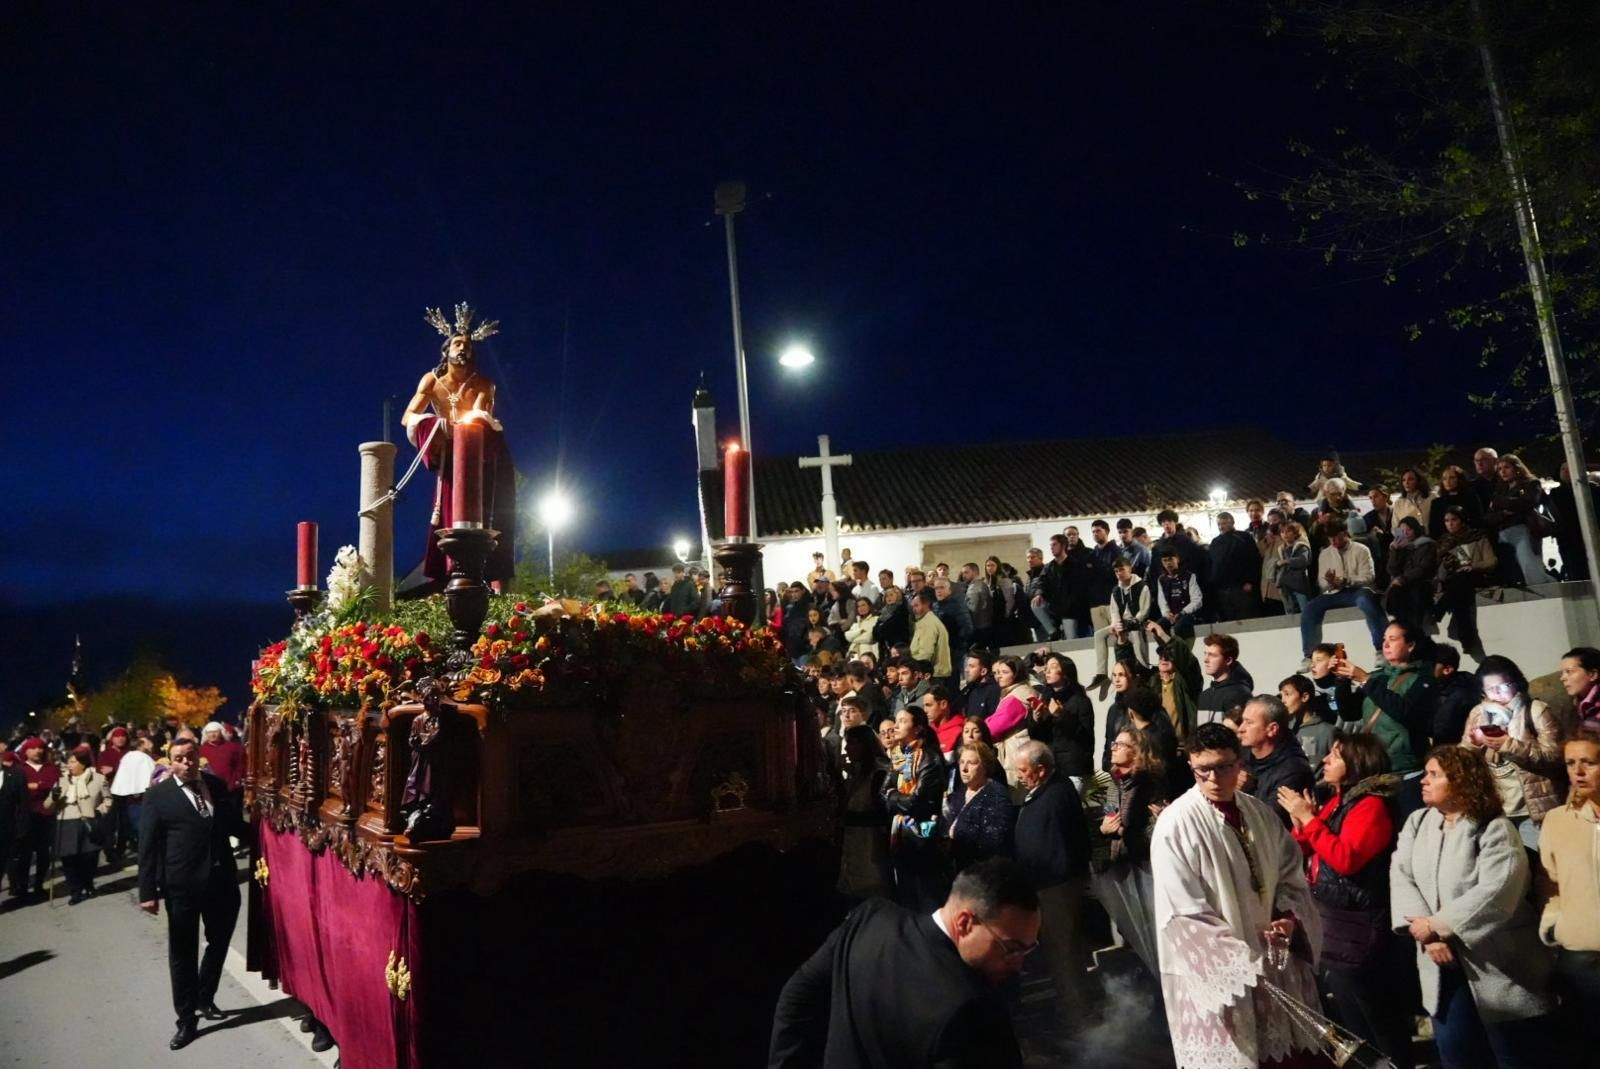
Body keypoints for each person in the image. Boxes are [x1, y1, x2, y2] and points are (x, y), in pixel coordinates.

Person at [1150, 722, 1324, 1069]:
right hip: (1223, 976)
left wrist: (1289, 920)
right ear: (1192, 767)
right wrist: (1237, 964)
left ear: (1240, 762)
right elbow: (1182, 911)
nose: (1214, 779)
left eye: (1224, 767)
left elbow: (1291, 876)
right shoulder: (1175, 825)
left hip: (1276, 961)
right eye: (1204, 770)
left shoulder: (1260, 814)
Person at [768, 858, 1038, 1069]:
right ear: (965, 922)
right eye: (1010, 949)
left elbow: (796, 997)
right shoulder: (975, 1012)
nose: (1018, 964)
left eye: (1028, 949)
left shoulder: (870, 919)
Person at [1391, 746, 1555, 1068]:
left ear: (1462, 780)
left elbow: (1497, 890)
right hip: (1439, 962)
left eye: (1434, 774)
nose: (1423, 781)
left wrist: (1438, 924)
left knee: (1512, 1056)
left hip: (1497, 966)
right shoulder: (1418, 822)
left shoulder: (1494, 828)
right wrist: (1429, 935)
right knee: (1458, 1055)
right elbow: (1401, 874)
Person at [1278, 734, 1410, 1067]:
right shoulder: (1340, 800)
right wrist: (1302, 823)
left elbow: (1346, 859)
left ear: (1356, 763)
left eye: (1334, 756)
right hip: (1335, 918)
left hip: (1360, 922)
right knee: (1350, 1011)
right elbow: (1305, 849)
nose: (1325, 760)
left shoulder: (1371, 806)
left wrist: (1309, 820)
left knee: (1375, 1010)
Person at [139, 736, 245, 1051]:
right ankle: (186, 1020)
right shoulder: (158, 796)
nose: (185, 763)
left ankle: (205, 996)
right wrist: (148, 892)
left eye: (190, 757)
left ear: (198, 756)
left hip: (221, 881)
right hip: (181, 886)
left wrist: (273, 838)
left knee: (219, 940)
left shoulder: (215, 785)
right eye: (178, 758)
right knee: (183, 953)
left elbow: (232, 826)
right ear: (169, 761)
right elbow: (147, 846)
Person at [402, 303, 516, 590]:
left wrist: (459, 430)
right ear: (446, 350)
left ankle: (490, 581)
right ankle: (448, 581)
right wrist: (432, 424)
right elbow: (408, 418)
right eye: (456, 343)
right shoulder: (431, 381)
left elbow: (478, 418)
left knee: (485, 515)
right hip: (449, 460)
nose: (462, 348)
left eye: (467, 345)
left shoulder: (484, 385)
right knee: (447, 518)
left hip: (478, 459)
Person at [1009, 741, 1093, 1019]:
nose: (1019, 776)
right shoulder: (1042, 791)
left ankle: (1078, 1015)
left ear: (1041, 770)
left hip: (1057, 888)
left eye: (1023, 770)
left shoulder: (1057, 795)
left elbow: (1061, 846)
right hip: (1044, 886)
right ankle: (1070, 1008)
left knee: (1064, 954)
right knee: (1057, 954)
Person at [1462, 655, 1567, 850]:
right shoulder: (1479, 714)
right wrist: (1474, 745)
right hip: (1499, 810)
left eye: (1504, 686)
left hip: (1535, 811)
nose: (1498, 694)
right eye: (1491, 689)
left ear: (1516, 683)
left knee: (1541, 865)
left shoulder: (1536, 711)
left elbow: (1554, 756)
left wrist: (1507, 744)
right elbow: (1463, 761)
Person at [1093, 729, 1168, 976]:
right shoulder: (1115, 785)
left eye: (1120, 744)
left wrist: (1128, 832)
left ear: (1136, 752)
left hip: (1146, 871)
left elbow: (1158, 830)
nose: (1113, 747)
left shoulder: (1151, 785)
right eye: (1113, 743)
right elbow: (1109, 818)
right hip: (1121, 868)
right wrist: (1104, 829)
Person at [1538, 733, 1600, 1030]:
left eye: (1589, 762)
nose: (1578, 771)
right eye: (1570, 763)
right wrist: (1553, 925)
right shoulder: (1556, 820)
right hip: (1579, 956)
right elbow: (1551, 885)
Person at [1335, 622, 1435, 777]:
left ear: (1410, 645)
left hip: (1406, 768)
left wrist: (1365, 680)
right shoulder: (1377, 677)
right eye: (1384, 639)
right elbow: (1350, 713)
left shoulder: (1423, 679)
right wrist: (1342, 680)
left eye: (1393, 639)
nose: (1386, 644)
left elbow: (1404, 711)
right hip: (1373, 764)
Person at [884, 706, 950, 912]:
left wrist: (892, 796)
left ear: (918, 728)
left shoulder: (929, 759)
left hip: (923, 834)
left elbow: (916, 801)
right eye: (896, 720)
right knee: (905, 893)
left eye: (903, 721)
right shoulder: (899, 758)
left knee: (925, 893)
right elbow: (883, 791)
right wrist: (893, 795)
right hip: (901, 835)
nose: (896, 725)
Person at [1300, 520, 1390, 661]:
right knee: (1310, 608)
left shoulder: (1361, 549)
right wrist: (1330, 582)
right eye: (1330, 538)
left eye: (1336, 537)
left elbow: (1368, 577)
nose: (1333, 541)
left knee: (1365, 601)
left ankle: (1381, 647)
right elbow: (1321, 582)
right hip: (1335, 592)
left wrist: (1346, 581)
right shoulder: (1325, 553)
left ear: (1344, 533)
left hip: (1358, 590)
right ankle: (1310, 654)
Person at [1237, 695, 1315, 827]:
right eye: (1242, 721)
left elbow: (1269, 822)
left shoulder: (1292, 771)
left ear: (1272, 729)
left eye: (1249, 723)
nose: (1241, 729)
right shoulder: (1243, 755)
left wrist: (1240, 794)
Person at [836, 724, 893, 901]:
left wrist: (848, 819)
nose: (846, 748)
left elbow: (882, 815)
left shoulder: (879, 773)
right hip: (854, 849)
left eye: (852, 743)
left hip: (872, 849)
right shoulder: (855, 773)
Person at [49, 746, 111, 904]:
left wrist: (100, 811)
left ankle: (88, 883)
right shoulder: (61, 781)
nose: (69, 765)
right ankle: (75, 891)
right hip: (67, 822)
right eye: (68, 762)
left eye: (73, 762)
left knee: (89, 857)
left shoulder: (98, 778)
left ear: (83, 764)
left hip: (89, 820)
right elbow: (47, 805)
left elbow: (108, 800)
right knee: (69, 859)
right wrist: (54, 797)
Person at [1434, 505, 1497, 659]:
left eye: (1454, 520)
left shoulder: (1477, 537)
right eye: (1446, 520)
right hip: (1456, 582)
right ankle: (1469, 642)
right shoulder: (1444, 543)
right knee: (1462, 600)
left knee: (1463, 579)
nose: (1450, 524)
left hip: (1477, 575)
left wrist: (1472, 567)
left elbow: (1492, 561)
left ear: (1462, 521)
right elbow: (1441, 572)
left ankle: (1439, 609)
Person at [1026, 652, 1094, 793]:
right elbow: (1037, 738)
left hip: (1073, 770)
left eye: (1053, 666)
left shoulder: (1080, 700)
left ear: (1065, 672)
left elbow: (1085, 736)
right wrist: (1036, 719)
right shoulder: (1045, 697)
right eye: (1046, 667)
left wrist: (1060, 715)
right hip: (1050, 768)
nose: (1047, 670)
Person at [943, 741, 1015, 871]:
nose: (964, 768)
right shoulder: (960, 792)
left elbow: (995, 842)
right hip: (958, 870)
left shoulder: (996, 795)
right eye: (962, 762)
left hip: (981, 874)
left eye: (971, 763)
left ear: (985, 767)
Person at [1484, 453, 1549, 586]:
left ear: (1517, 468)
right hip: (1503, 535)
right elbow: (1489, 517)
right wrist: (1503, 513)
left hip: (1524, 531)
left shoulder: (1531, 483)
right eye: (1500, 469)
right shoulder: (1500, 489)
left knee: (1531, 569)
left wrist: (1499, 503)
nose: (1503, 472)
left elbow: (1527, 502)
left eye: (1506, 467)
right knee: (1512, 573)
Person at [10, 737, 58, 901]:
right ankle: (21, 886)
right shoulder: (19, 769)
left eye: (41, 748)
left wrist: (36, 786)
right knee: (24, 853)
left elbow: (54, 785)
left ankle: (39, 885)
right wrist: (36, 787)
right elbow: (16, 791)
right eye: (34, 748)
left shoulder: (51, 768)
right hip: (26, 815)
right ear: (26, 751)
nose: (38, 751)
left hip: (46, 815)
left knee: (43, 853)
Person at [1091, 556, 1151, 686]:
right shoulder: (1116, 590)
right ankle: (1101, 673)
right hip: (1122, 624)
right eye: (1116, 571)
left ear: (1129, 568)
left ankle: (1143, 666)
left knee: (1136, 634)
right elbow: (1114, 611)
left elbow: (1144, 610)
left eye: (1122, 570)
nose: (1119, 574)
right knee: (1099, 635)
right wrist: (1116, 625)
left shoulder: (1142, 586)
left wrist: (1133, 622)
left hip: (1137, 622)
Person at [984, 655, 1036, 791]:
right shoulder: (1014, 693)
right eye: (997, 673)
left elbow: (993, 728)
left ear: (1016, 674)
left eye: (1004, 672)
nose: (999, 676)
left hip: (1014, 753)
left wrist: (979, 725)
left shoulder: (1017, 697)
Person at [1385, 516, 1438, 636]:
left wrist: (1403, 578)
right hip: (1402, 583)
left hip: (1420, 581)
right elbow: (1392, 570)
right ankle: (1403, 628)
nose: (1405, 533)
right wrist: (1395, 551)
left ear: (1415, 529)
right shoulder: (1400, 547)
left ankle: (1414, 630)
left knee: (1416, 594)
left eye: (1409, 529)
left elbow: (1424, 567)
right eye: (1402, 530)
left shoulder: (1426, 544)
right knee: (1395, 593)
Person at [1279, 674, 1338, 778]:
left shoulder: (1328, 732)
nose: (1283, 701)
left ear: (1304, 697)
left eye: (1287, 694)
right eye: (1281, 696)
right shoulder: (1284, 731)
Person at [1193, 632, 1254, 729]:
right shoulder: (1205, 695)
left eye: (1212, 655)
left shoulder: (1240, 695)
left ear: (1228, 660)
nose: (1205, 660)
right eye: (1205, 654)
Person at [1209, 511, 1261, 621]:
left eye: (1223, 523)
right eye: (1219, 524)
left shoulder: (1244, 537)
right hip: (1222, 589)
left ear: (1232, 523)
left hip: (1241, 587)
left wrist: (1250, 581)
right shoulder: (1215, 542)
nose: (1221, 527)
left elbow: (1253, 560)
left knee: (1245, 617)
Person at [1432, 645, 1480, 745]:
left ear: (1447, 670)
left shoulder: (1459, 694)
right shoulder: (1441, 686)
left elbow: (1441, 730)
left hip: (1452, 751)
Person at [1151, 547, 1202, 637]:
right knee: (1157, 628)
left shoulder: (1189, 576)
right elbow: (1162, 601)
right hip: (1171, 615)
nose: (1168, 563)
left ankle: (1180, 649)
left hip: (1187, 613)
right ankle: (1167, 649)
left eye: (1171, 559)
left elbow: (1197, 600)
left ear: (1177, 559)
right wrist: (1167, 614)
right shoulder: (1162, 579)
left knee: (1178, 628)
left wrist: (1182, 612)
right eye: (1165, 560)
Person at [1429, 464, 1487, 539]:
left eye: (1452, 477)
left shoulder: (1471, 498)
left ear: (1459, 479)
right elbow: (1434, 528)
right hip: (1445, 542)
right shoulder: (1437, 503)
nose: (1448, 481)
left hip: (1469, 539)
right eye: (1444, 478)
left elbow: (1478, 521)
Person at [909, 589, 953, 684]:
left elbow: (926, 653)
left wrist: (915, 671)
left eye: (916, 605)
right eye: (912, 607)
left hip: (933, 674)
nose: (914, 609)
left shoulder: (928, 624)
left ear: (926, 605)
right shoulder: (925, 621)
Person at [1273, 519, 1315, 616]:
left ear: (1295, 533)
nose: (1285, 534)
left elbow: (1304, 560)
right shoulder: (1281, 549)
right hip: (1286, 586)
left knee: (1305, 610)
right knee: (1290, 611)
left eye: (1288, 531)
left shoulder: (1301, 547)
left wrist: (1287, 561)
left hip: (1299, 585)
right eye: (1282, 532)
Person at [1560, 647, 1600, 732]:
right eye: (1562, 673)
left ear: (1592, 675)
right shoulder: (1572, 706)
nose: (1562, 678)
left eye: (1569, 671)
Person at [956, 650, 999, 723]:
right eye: (967, 666)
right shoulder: (970, 689)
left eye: (971, 666)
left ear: (983, 671)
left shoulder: (993, 691)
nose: (966, 670)